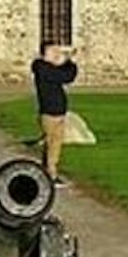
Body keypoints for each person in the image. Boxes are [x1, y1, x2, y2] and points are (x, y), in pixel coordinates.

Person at [31, 41, 78, 184]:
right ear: (45, 53)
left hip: (58, 112)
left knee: (54, 143)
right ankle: (51, 174)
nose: (57, 55)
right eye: (54, 52)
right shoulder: (42, 68)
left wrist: (69, 61)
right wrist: (66, 62)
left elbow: (69, 76)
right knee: (53, 144)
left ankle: (47, 171)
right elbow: (62, 76)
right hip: (49, 113)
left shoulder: (48, 68)